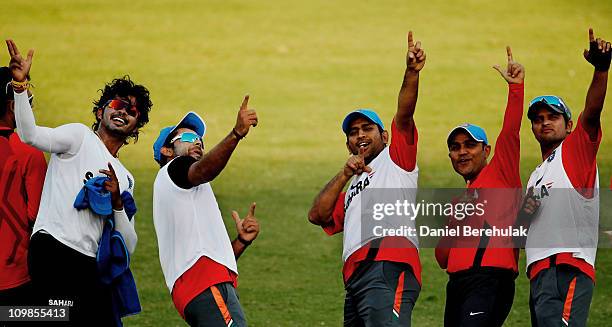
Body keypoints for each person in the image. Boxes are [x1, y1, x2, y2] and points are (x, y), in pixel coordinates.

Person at [6, 39, 152, 326]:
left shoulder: (125, 178)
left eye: (132, 111)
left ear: (136, 127)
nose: (123, 111)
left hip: (88, 263)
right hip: (54, 251)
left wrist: (118, 203)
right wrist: (20, 89)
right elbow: (30, 135)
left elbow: (129, 244)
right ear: (101, 112)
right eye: (118, 104)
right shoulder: (79, 137)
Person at [308, 31, 424, 326]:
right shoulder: (351, 188)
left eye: (367, 128)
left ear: (384, 136)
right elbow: (317, 215)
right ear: (348, 143)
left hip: (389, 265)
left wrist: (411, 72)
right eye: (353, 131)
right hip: (355, 277)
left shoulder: (396, 158)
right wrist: (345, 174)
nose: (360, 135)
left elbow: (405, 113)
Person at [520, 28, 610, 327]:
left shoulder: (575, 151)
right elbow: (523, 225)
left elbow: (592, 112)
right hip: (540, 273)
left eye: (552, 117)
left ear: (569, 125)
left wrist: (601, 70)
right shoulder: (536, 173)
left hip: (568, 265)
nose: (544, 123)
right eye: (538, 119)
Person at [435, 47, 525, 327]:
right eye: (455, 147)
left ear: (486, 150)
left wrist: (516, 89)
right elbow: (441, 257)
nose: (462, 152)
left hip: (489, 280)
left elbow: (510, 131)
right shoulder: (457, 202)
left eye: (470, 145)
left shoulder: (501, 174)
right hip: (457, 285)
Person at [152, 97, 260, 327]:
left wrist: (241, 241)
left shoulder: (183, 191)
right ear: (167, 150)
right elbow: (203, 171)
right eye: (189, 137)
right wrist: (236, 134)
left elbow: (203, 254)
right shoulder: (174, 168)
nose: (198, 142)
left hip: (202, 286)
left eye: (200, 139)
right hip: (205, 285)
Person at [0, 66, 47, 306]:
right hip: (14, 277)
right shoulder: (28, 153)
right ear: (12, 106)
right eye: (28, 100)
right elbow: (38, 216)